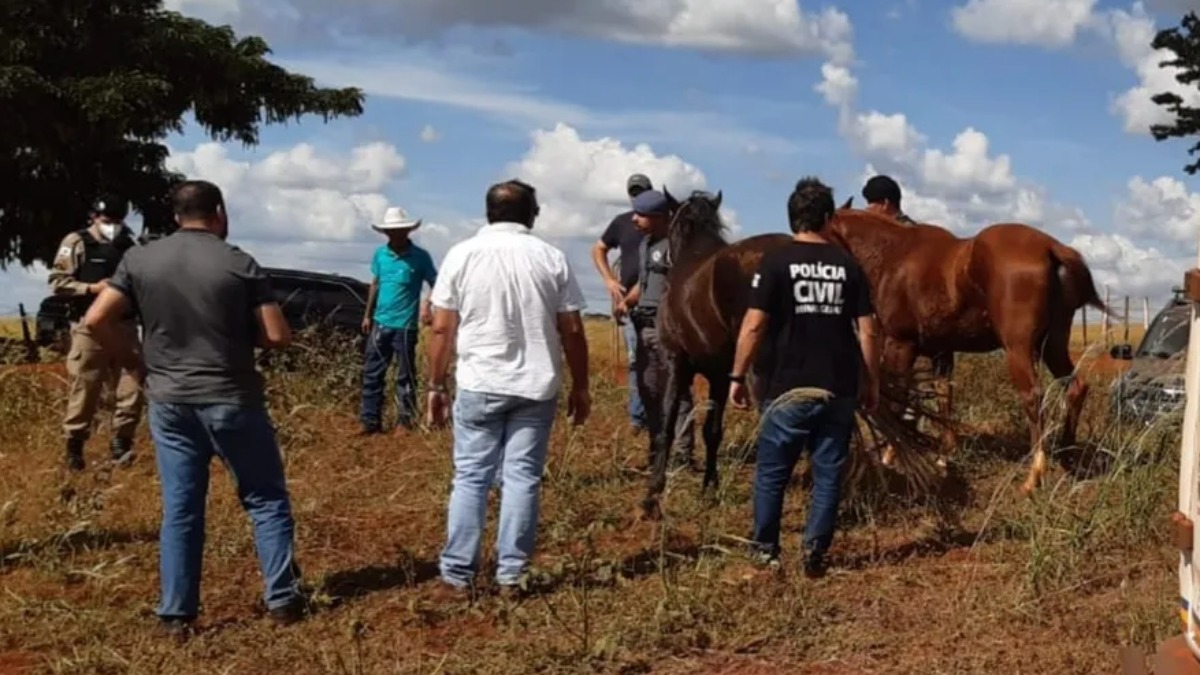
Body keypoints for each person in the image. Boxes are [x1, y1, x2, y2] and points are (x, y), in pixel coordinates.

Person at [82, 180, 305, 635]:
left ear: (175, 215)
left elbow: (96, 318)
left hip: (170, 402)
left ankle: (176, 613)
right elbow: (277, 335)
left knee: (181, 508)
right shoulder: (239, 263)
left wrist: (136, 363)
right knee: (265, 500)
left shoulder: (140, 260)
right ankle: (282, 599)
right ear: (219, 213)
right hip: (232, 397)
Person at [427, 178, 590, 597]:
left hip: (480, 382)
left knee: (470, 478)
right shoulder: (550, 258)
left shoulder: (461, 255)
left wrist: (435, 385)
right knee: (523, 478)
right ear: (531, 214)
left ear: (489, 213)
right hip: (536, 386)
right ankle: (512, 574)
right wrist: (581, 386)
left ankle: (457, 574)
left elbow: (442, 328)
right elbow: (572, 329)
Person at [729, 176, 881, 578]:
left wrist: (737, 375)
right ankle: (815, 553)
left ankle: (766, 551)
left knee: (772, 473)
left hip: (786, 387)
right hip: (838, 386)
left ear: (792, 217)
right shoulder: (849, 267)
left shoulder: (775, 262)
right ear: (829, 218)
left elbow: (754, 325)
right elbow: (868, 331)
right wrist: (871, 381)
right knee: (828, 474)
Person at [48, 193, 145, 471]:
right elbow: (58, 282)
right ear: (94, 217)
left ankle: (122, 443)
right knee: (85, 388)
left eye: (117, 220)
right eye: (106, 219)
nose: (112, 225)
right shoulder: (76, 242)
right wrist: (92, 288)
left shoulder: (130, 245)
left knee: (133, 387)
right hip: (89, 328)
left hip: (125, 326)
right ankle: (75, 447)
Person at [620, 189, 697, 469]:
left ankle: (682, 454)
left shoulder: (677, 247)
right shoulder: (646, 244)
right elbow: (645, 281)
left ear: (661, 217)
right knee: (648, 390)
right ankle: (657, 449)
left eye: (642, 215)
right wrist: (628, 301)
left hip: (667, 328)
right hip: (643, 325)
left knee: (677, 391)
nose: (635, 219)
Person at [359, 206, 438, 435]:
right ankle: (370, 421)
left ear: (407, 231)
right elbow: (375, 283)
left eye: (399, 230)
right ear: (386, 233)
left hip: (405, 326)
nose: (395, 234)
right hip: (380, 322)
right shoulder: (380, 255)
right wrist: (367, 315)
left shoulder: (420, 257)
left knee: (405, 375)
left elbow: (436, 282)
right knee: (373, 373)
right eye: (391, 231)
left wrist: (427, 305)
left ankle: (404, 421)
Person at [592, 173, 652, 432]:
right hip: (628, 304)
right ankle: (638, 418)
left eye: (642, 192)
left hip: (657, 301)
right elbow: (599, 248)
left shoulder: (662, 223)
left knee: (659, 359)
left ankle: (658, 415)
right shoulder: (622, 222)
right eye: (634, 192)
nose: (637, 196)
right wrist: (609, 280)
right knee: (635, 359)